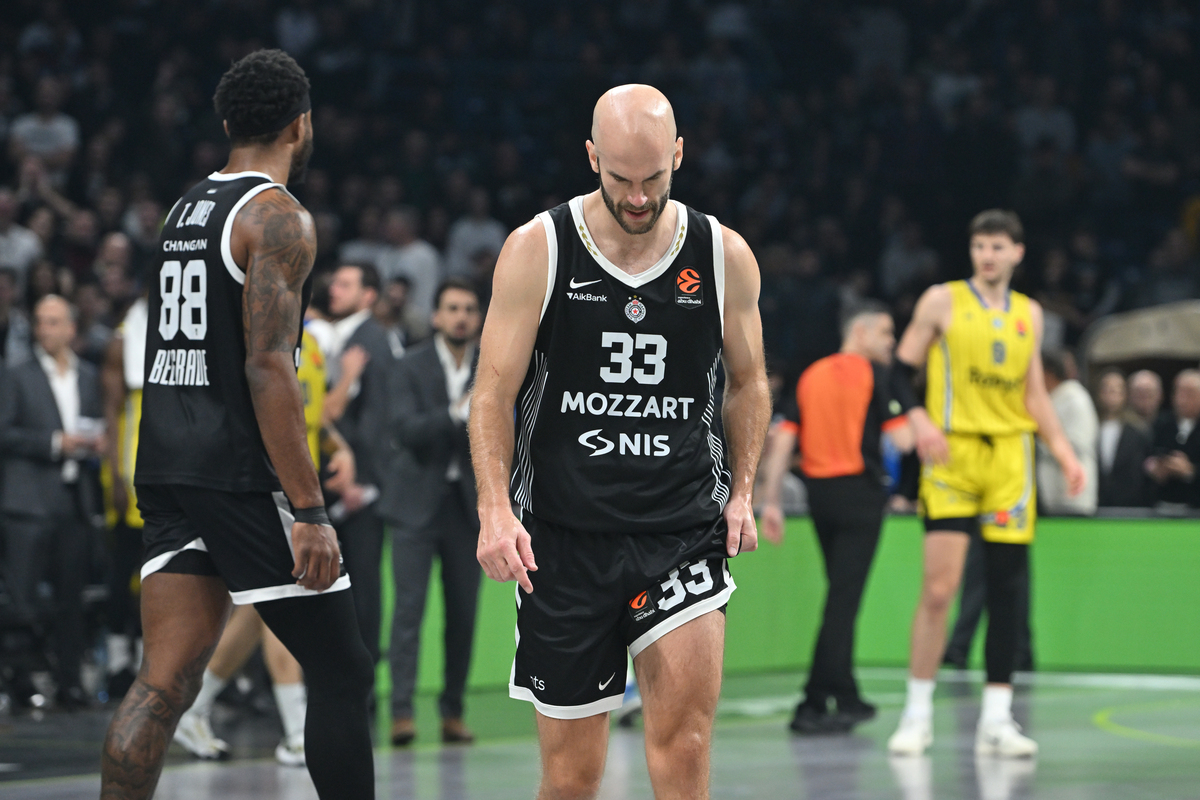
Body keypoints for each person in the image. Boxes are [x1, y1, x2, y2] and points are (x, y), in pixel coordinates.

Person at [471, 85, 770, 799]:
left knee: (685, 749)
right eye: (619, 180)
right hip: (564, 541)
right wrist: (493, 508)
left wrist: (745, 493)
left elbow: (750, 382)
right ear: (591, 158)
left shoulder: (722, 253)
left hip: (680, 529)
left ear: (678, 154)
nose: (637, 198)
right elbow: (491, 392)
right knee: (573, 779)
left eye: (654, 179)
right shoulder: (538, 249)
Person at [99, 49, 374, 800]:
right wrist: (310, 510)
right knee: (342, 669)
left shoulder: (184, 208)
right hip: (239, 473)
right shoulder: (276, 216)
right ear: (302, 123)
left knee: (162, 683)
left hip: (165, 465)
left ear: (227, 123)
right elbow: (267, 367)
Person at [886, 209, 1084, 758]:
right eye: (979, 246)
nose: (987, 256)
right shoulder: (942, 300)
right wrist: (918, 418)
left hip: (1010, 463)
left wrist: (1064, 452)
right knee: (940, 589)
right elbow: (899, 369)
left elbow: (1035, 395)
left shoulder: (1031, 314)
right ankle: (917, 712)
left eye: (997, 247)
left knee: (1007, 593)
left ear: (1018, 253)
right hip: (953, 454)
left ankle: (998, 720)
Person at [758, 300, 915, 734]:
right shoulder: (878, 377)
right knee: (843, 603)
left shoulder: (811, 374)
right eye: (885, 332)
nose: (892, 341)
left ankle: (845, 695)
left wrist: (771, 502)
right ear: (860, 333)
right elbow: (902, 439)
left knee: (840, 595)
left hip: (819, 498)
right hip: (860, 497)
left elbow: (784, 440)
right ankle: (811, 702)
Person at [381, 278, 483, 746]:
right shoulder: (410, 365)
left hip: (467, 510)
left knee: (462, 616)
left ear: (478, 317)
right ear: (437, 316)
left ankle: (453, 712)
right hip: (415, 507)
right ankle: (401, 711)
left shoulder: (492, 366)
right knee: (408, 613)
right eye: (452, 308)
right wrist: (455, 415)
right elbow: (403, 429)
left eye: (468, 308)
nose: (461, 316)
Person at [0, 294, 105, 708]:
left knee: (71, 597)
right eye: (41, 321)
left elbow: (94, 424)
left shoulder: (88, 377)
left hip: (73, 497)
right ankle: (20, 678)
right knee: (23, 598)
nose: (45, 329)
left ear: (71, 328)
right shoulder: (16, 375)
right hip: (27, 501)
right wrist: (54, 443)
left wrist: (95, 443)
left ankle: (69, 680)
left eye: (54, 321)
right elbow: (4, 432)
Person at [322, 261, 396, 668]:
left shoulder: (371, 340)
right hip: (341, 482)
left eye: (345, 283)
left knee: (360, 587)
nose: (334, 288)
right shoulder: (344, 337)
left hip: (358, 489)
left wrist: (366, 483)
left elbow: (379, 419)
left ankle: (361, 681)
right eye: (335, 280)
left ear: (368, 295)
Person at [100, 291, 149, 699]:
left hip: (169, 468)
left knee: (160, 574)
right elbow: (112, 410)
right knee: (124, 571)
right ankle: (119, 661)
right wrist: (115, 473)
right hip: (131, 470)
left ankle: (151, 659)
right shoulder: (125, 336)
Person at [1037, 350, 1098, 515]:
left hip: (1072, 496)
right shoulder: (1053, 397)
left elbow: (1078, 443)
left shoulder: (1074, 398)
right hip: (1054, 497)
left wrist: (1041, 443)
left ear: (1047, 372)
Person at [1094, 368, 1152, 508]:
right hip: (1097, 504)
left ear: (1125, 394)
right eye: (1107, 389)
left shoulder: (1138, 431)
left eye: (1116, 390)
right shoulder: (1091, 427)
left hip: (1129, 507)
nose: (1111, 395)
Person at [1145, 369, 1200, 509]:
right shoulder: (1160, 423)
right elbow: (1145, 456)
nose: (1182, 399)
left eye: (1190, 393)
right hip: (1161, 503)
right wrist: (1156, 467)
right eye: (1179, 392)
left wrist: (1190, 471)